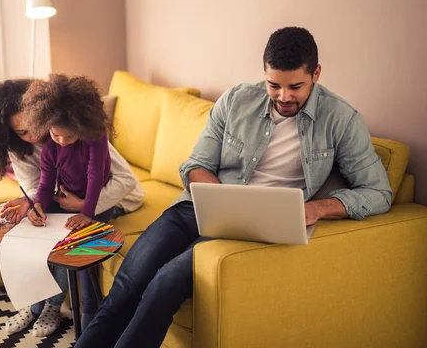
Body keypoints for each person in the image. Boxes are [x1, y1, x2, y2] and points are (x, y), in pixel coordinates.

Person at [74, 27, 393, 348]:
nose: (284, 96)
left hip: (255, 229)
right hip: (194, 210)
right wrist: (220, 199)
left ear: (316, 74)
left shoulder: (341, 119)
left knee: (164, 283)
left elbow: (378, 193)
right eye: (274, 85)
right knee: (127, 286)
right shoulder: (237, 100)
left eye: (295, 86)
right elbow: (196, 164)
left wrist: (316, 209)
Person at [0, 77, 145, 337]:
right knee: (32, 229)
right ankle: (34, 304)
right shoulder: (25, 147)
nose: (32, 136)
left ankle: (53, 306)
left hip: (116, 198)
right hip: (66, 197)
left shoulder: (76, 130)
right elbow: (37, 184)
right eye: (22, 132)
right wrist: (30, 203)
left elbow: (127, 182)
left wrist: (83, 207)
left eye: (34, 128)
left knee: (65, 237)